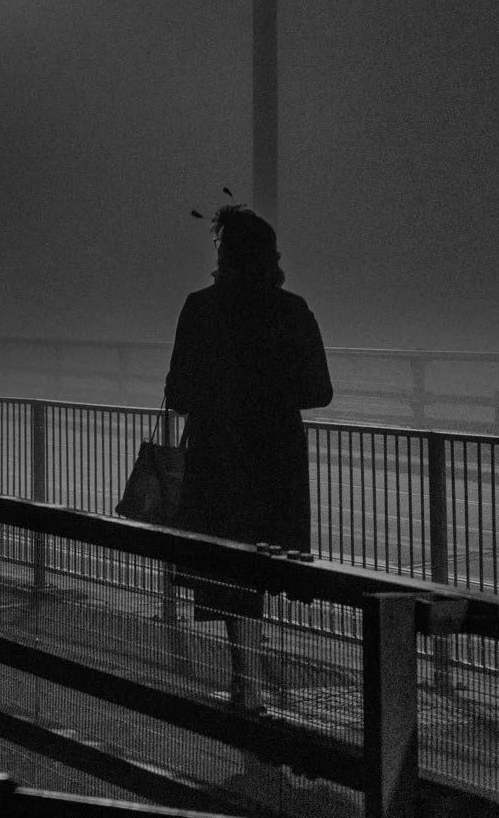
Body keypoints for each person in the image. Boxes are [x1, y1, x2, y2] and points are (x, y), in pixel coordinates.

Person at [164, 204, 332, 711]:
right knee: (266, 565)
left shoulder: (201, 307)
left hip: (218, 455)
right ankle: (253, 681)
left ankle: (245, 681)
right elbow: (319, 390)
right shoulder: (292, 310)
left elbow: (178, 392)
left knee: (227, 568)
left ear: (225, 253)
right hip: (275, 457)